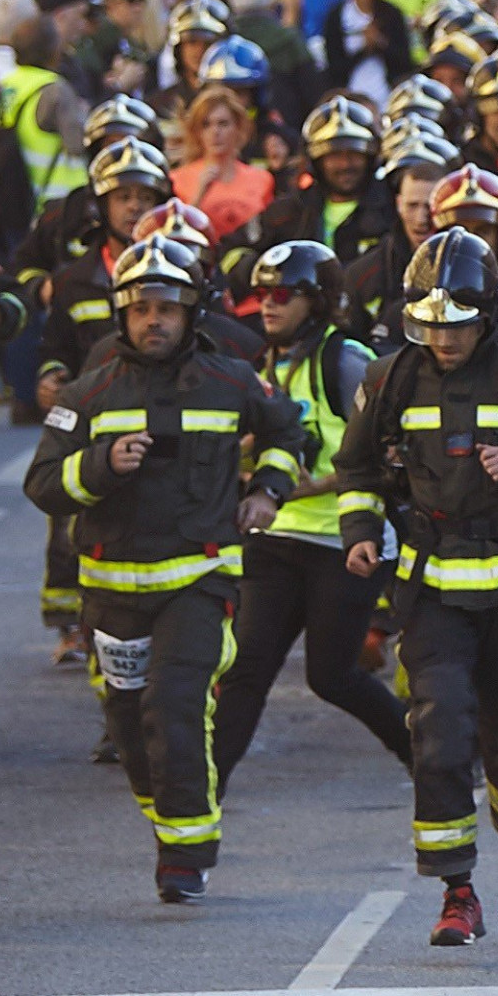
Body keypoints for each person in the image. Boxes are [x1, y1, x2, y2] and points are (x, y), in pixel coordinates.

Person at [332, 229, 498, 945]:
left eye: (455, 324)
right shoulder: (389, 378)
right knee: (438, 733)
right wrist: (360, 532)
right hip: (431, 597)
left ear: (486, 314)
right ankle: (457, 892)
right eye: (430, 324)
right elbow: (355, 468)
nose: (442, 339)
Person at [25, 232, 309, 901]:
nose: (154, 319)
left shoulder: (232, 379)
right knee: (130, 728)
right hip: (111, 589)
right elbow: (41, 484)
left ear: (192, 313)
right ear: (122, 314)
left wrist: (268, 489)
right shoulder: (89, 391)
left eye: (169, 307)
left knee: (176, 707)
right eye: (141, 307)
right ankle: (172, 824)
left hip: (199, 579)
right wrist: (101, 464)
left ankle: (186, 856)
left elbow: (286, 431)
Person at [210, 238, 410, 783]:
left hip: (345, 542)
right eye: (261, 293)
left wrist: (307, 488)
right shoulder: (260, 361)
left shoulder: (346, 361)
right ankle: (204, 791)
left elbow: (387, 458)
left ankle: (430, 762)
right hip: (276, 540)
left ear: (317, 300)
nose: (268, 305)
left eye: (283, 293)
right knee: (246, 668)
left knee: (333, 675)